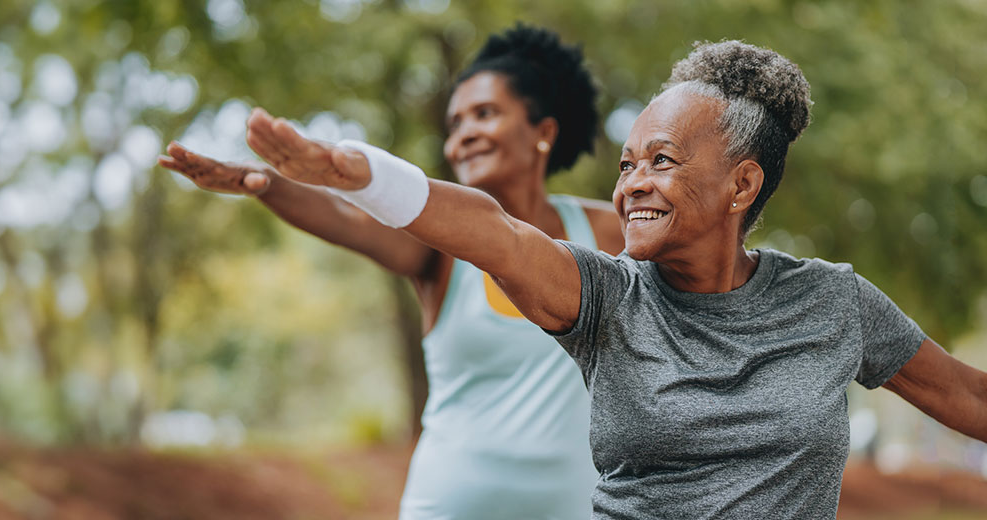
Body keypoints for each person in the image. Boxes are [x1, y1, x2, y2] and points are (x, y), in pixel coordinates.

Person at [243, 39, 987, 517]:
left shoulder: (832, 303)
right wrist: (364, 176)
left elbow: (965, 396)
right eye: (627, 163)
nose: (631, 183)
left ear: (741, 185)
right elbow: (493, 232)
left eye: (661, 161)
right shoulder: (605, 297)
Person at [158, 25, 615, 519]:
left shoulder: (607, 234)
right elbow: (346, 218)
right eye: (455, 123)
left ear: (543, 132)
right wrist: (267, 183)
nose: (464, 135)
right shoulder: (440, 250)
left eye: (485, 113)